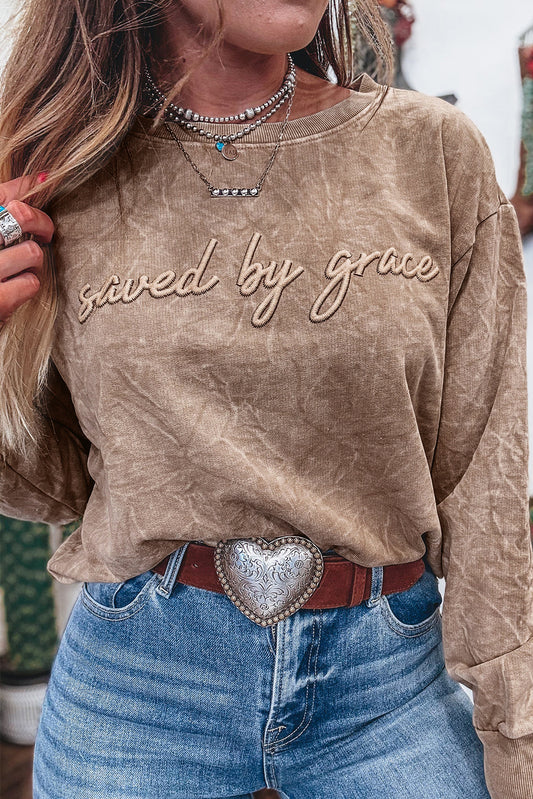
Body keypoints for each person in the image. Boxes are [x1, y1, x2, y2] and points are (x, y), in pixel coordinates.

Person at [0, 1, 531, 797]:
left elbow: (485, 472)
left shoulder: (428, 151)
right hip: (138, 686)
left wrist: (513, 717)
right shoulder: (61, 177)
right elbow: (48, 486)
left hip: (386, 686)